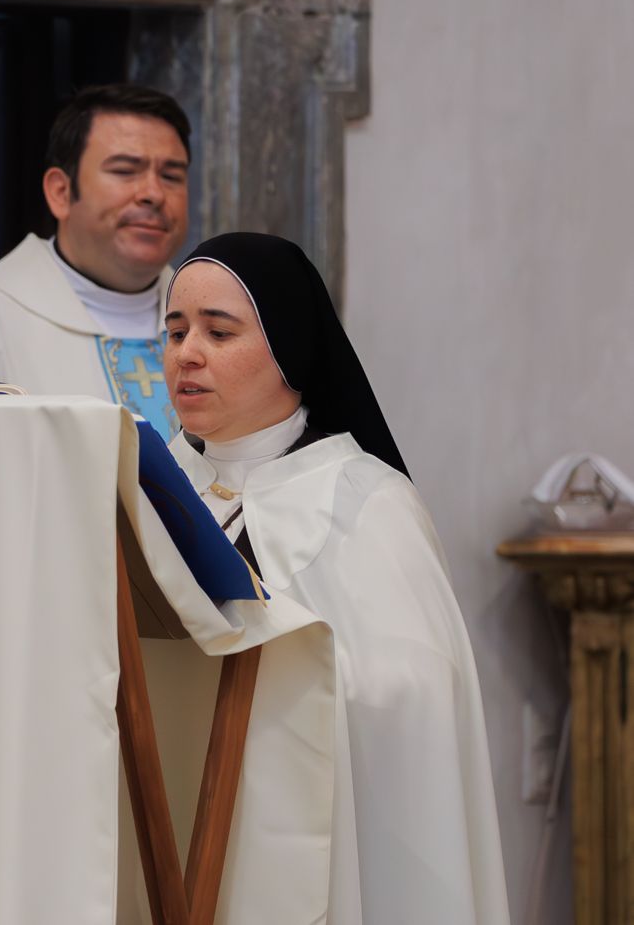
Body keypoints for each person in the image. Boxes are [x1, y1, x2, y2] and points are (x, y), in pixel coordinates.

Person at [162, 232, 509, 924]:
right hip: (167, 824)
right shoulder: (156, 486)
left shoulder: (364, 500)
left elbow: (412, 704)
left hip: (315, 859)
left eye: (218, 331)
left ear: (290, 345)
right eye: (174, 331)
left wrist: (278, 669)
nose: (186, 354)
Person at [0, 83, 190, 434]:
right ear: (61, 192)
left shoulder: (230, 330)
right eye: (125, 170)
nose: (153, 194)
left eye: (172, 176)